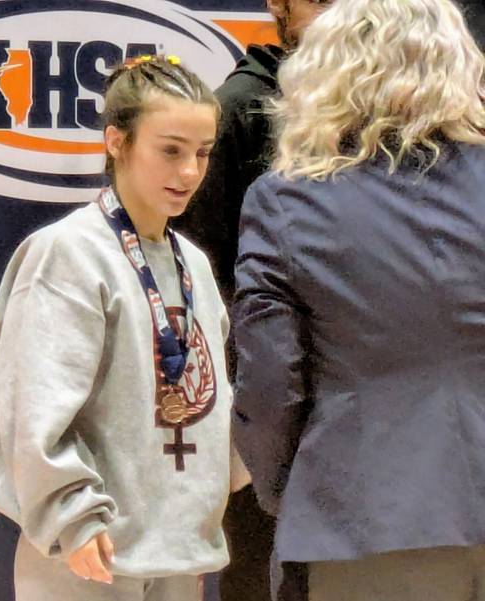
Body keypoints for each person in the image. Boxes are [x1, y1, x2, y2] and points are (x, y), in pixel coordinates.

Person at [232, 0, 485, 600]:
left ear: (324, 72)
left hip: (359, 519)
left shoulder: (286, 202)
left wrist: (289, 493)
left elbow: (269, 382)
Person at [0, 55, 247, 601]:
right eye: (170, 150)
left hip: (174, 549)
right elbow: (34, 404)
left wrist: (191, 526)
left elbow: (210, 408)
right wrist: (72, 514)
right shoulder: (68, 253)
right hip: (87, 553)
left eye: (202, 153)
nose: (190, 172)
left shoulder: (192, 262)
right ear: (116, 142)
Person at [176, 2, 332, 600]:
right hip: (261, 408)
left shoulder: (375, 112)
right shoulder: (238, 110)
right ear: (277, 4)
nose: (335, 14)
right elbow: (196, 281)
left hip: (350, 405)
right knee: (260, 577)